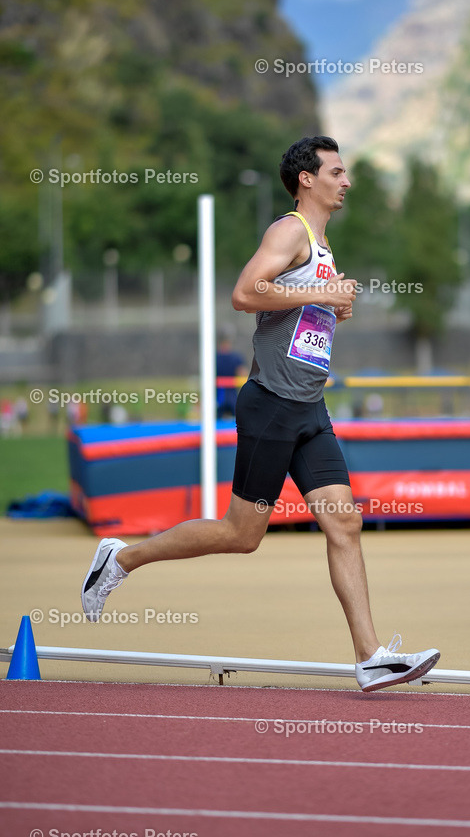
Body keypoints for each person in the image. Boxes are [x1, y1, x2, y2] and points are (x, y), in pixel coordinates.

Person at [81, 136, 440, 692]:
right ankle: (121, 558)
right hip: (272, 404)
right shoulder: (290, 231)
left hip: (309, 406)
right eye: (337, 172)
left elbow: (301, 313)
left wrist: (332, 304)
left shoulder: (320, 242)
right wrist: (317, 292)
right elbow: (246, 293)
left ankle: (370, 656)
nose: (347, 182)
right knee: (241, 533)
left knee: (344, 521)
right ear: (306, 179)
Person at [215, 326, 247, 419]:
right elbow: (243, 374)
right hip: (231, 393)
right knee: (236, 420)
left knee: (217, 419)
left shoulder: (215, 357)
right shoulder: (236, 357)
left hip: (219, 393)